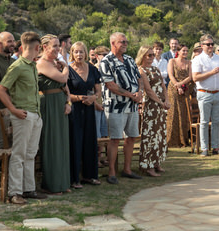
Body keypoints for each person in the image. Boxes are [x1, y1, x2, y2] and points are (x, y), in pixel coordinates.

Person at [0, 31, 46, 205]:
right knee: (19, 153)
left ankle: (28, 188)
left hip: (35, 114)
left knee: (31, 153)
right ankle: (14, 192)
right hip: (23, 114)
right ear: (37, 47)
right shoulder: (18, 66)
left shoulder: (32, 65)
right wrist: (13, 109)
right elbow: (1, 89)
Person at [99, 32, 143, 182]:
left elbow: (139, 77)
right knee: (115, 139)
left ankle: (127, 169)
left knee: (131, 137)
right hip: (115, 106)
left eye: (126, 42)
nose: (125, 44)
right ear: (113, 43)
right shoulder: (106, 61)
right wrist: (132, 95)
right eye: (122, 42)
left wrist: (140, 92)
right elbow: (111, 85)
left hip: (132, 106)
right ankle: (112, 172)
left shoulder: (130, 59)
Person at [37, 34, 72, 194]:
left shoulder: (54, 63)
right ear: (45, 47)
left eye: (59, 45)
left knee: (62, 142)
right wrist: (66, 66)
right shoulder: (42, 63)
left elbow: (64, 85)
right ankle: (51, 184)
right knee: (52, 143)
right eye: (55, 46)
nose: (58, 49)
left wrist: (68, 101)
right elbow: (63, 77)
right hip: (49, 104)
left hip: (60, 103)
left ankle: (63, 183)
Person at [68, 41, 102, 187]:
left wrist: (93, 98)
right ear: (72, 54)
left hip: (89, 109)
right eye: (76, 52)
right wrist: (78, 98)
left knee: (90, 141)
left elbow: (99, 91)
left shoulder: (93, 69)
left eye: (81, 52)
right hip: (74, 109)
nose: (79, 55)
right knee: (75, 142)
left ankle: (90, 176)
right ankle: (75, 178)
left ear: (86, 53)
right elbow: (65, 93)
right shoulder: (67, 70)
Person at [191, 34, 219, 156]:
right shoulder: (198, 59)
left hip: (217, 93)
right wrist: (211, 72)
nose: (211, 46)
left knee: (217, 121)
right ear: (202, 46)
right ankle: (204, 148)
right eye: (208, 44)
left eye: (212, 44)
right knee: (205, 122)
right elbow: (195, 77)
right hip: (204, 93)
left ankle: (216, 147)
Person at [137, 45, 169, 176]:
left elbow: (163, 85)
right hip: (151, 106)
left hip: (161, 105)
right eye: (148, 55)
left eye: (152, 55)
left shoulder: (155, 69)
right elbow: (148, 90)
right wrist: (160, 102)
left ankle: (157, 162)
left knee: (160, 134)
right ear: (143, 56)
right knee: (150, 134)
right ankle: (147, 165)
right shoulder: (141, 70)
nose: (151, 57)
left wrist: (167, 100)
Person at [166, 43, 194, 147]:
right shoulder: (172, 61)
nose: (185, 53)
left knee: (183, 113)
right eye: (183, 51)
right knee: (173, 113)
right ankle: (171, 140)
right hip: (173, 89)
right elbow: (170, 75)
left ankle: (183, 139)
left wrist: (182, 85)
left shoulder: (189, 63)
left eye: (187, 51)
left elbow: (190, 77)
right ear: (178, 51)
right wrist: (177, 86)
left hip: (185, 89)